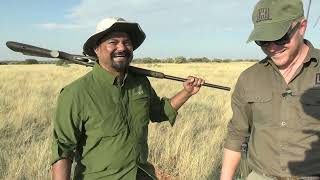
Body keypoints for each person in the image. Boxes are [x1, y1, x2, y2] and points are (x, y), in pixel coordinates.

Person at [51, 17, 205, 180]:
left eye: (126, 42)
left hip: (142, 174)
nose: (121, 47)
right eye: (113, 42)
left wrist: (187, 92)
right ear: (97, 48)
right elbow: (63, 149)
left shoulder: (140, 83)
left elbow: (159, 112)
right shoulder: (75, 93)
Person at [220, 0, 320, 179]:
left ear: (302, 26)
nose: (272, 47)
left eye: (280, 37)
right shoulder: (249, 78)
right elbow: (236, 134)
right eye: (263, 41)